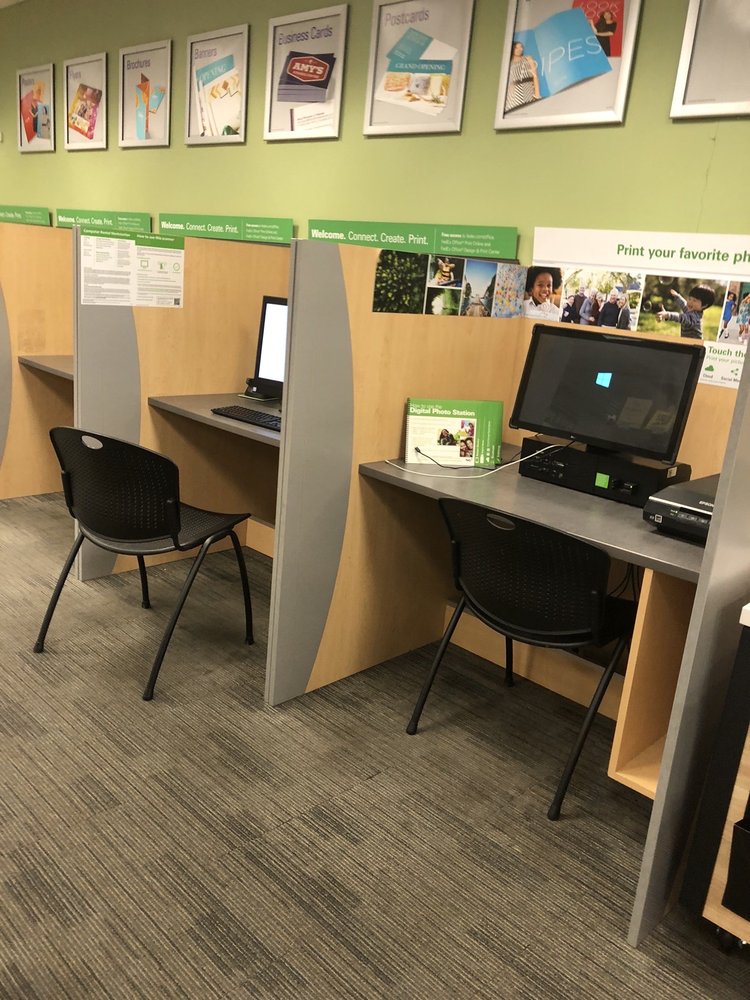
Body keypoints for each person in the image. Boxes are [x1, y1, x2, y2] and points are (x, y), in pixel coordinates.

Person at [505, 41, 540, 112]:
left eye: (521, 47)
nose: (519, 49)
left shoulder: (528, 59)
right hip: (512, 98)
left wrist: (537, 94)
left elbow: (535, 76)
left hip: (528, 92)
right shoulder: (508, 64)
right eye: (516, 47)